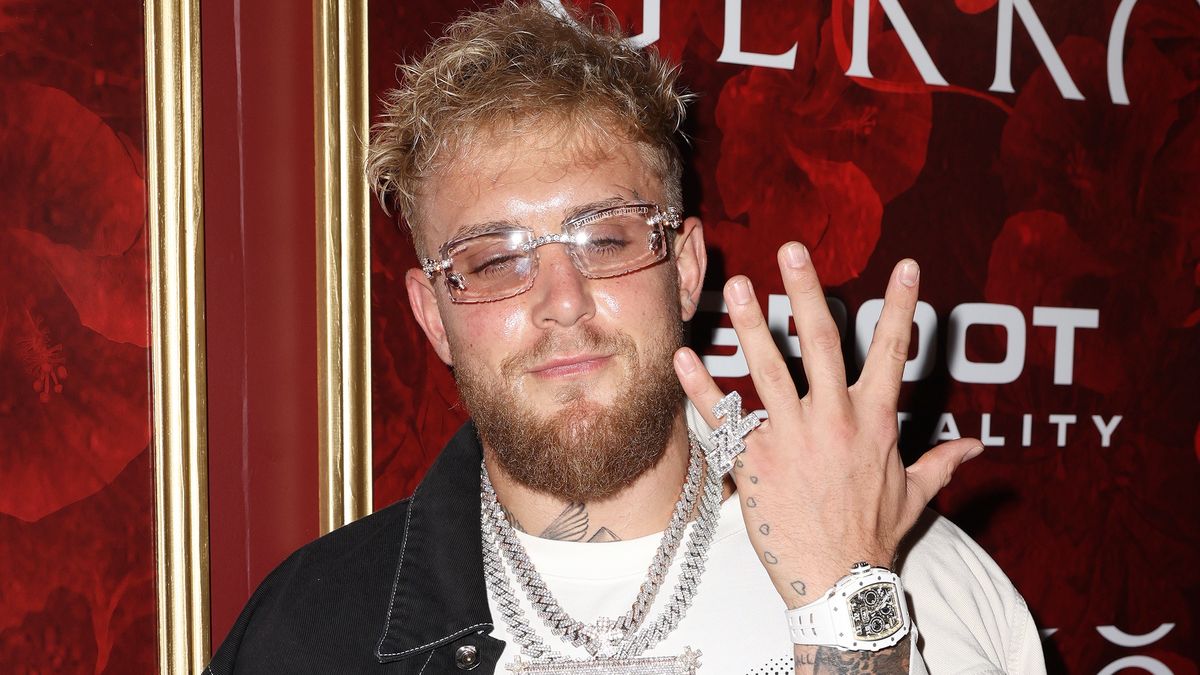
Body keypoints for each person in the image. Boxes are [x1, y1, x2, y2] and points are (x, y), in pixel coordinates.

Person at [206, 2, 1046, 673]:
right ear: (433, 316)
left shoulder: (916, 575)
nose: (563, 302)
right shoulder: (312, 630)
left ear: (685, 269)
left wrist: (846, 605)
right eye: (494, 260)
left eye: (606, 239)